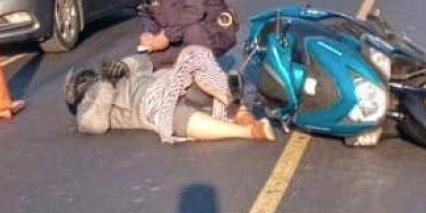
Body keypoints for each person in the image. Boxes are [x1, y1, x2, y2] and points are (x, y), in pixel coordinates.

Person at [65, 46, 274, 143]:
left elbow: (145, 62)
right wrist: (106, 85)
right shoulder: (86, 106)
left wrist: (123, 65)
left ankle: (241, 112)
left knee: (194, 55)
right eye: (81, 84)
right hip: (148, 105)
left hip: (166, 82)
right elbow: (95, 125)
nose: (85, 83)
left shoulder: (110, 74)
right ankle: (248, 131)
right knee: (176, 115)